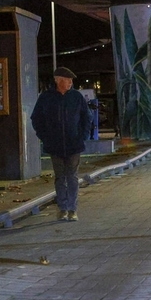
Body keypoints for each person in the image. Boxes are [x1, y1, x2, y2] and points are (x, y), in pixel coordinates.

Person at [31, 67, 92, 222]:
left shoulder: (76, 97)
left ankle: (72, 209)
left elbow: (87, 117)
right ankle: (62, 208)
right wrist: (45, 137)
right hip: (55, 145)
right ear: (58, 80)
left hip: (74, 144)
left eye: (71, 81)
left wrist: (82, 136)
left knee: (72, 177)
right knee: (60, 177)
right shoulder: (46, 97)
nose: (70, 83)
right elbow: (36, 118)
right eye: (67, 80)